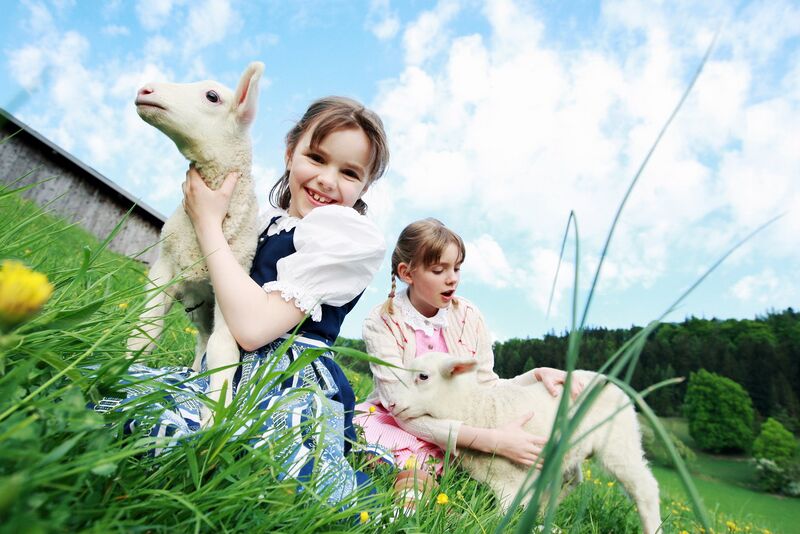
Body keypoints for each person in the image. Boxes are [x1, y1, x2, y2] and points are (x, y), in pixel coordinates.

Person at [94, 96, 389, 504]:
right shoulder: (263, 221)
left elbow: (252, 330)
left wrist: (208, 222)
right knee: (111, 393)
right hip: (221, 369)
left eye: (349, 172)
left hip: (285, 379)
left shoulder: (345, 236)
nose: (327, 179)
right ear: (290, 152)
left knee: (237, 454)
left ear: (364, 186)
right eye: (316, 158)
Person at [354, 218, 583, 510]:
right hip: (405, 424)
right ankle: (403, 513)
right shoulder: (382, 322)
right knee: (414, 469)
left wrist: (535, 375)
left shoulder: (469, 316)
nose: (453, 279)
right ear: (407, 273)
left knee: (520, 470)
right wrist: (491, 441)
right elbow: (401, 407)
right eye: (439, 270)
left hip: (463, 429)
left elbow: (486, 385)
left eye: (457, 268)